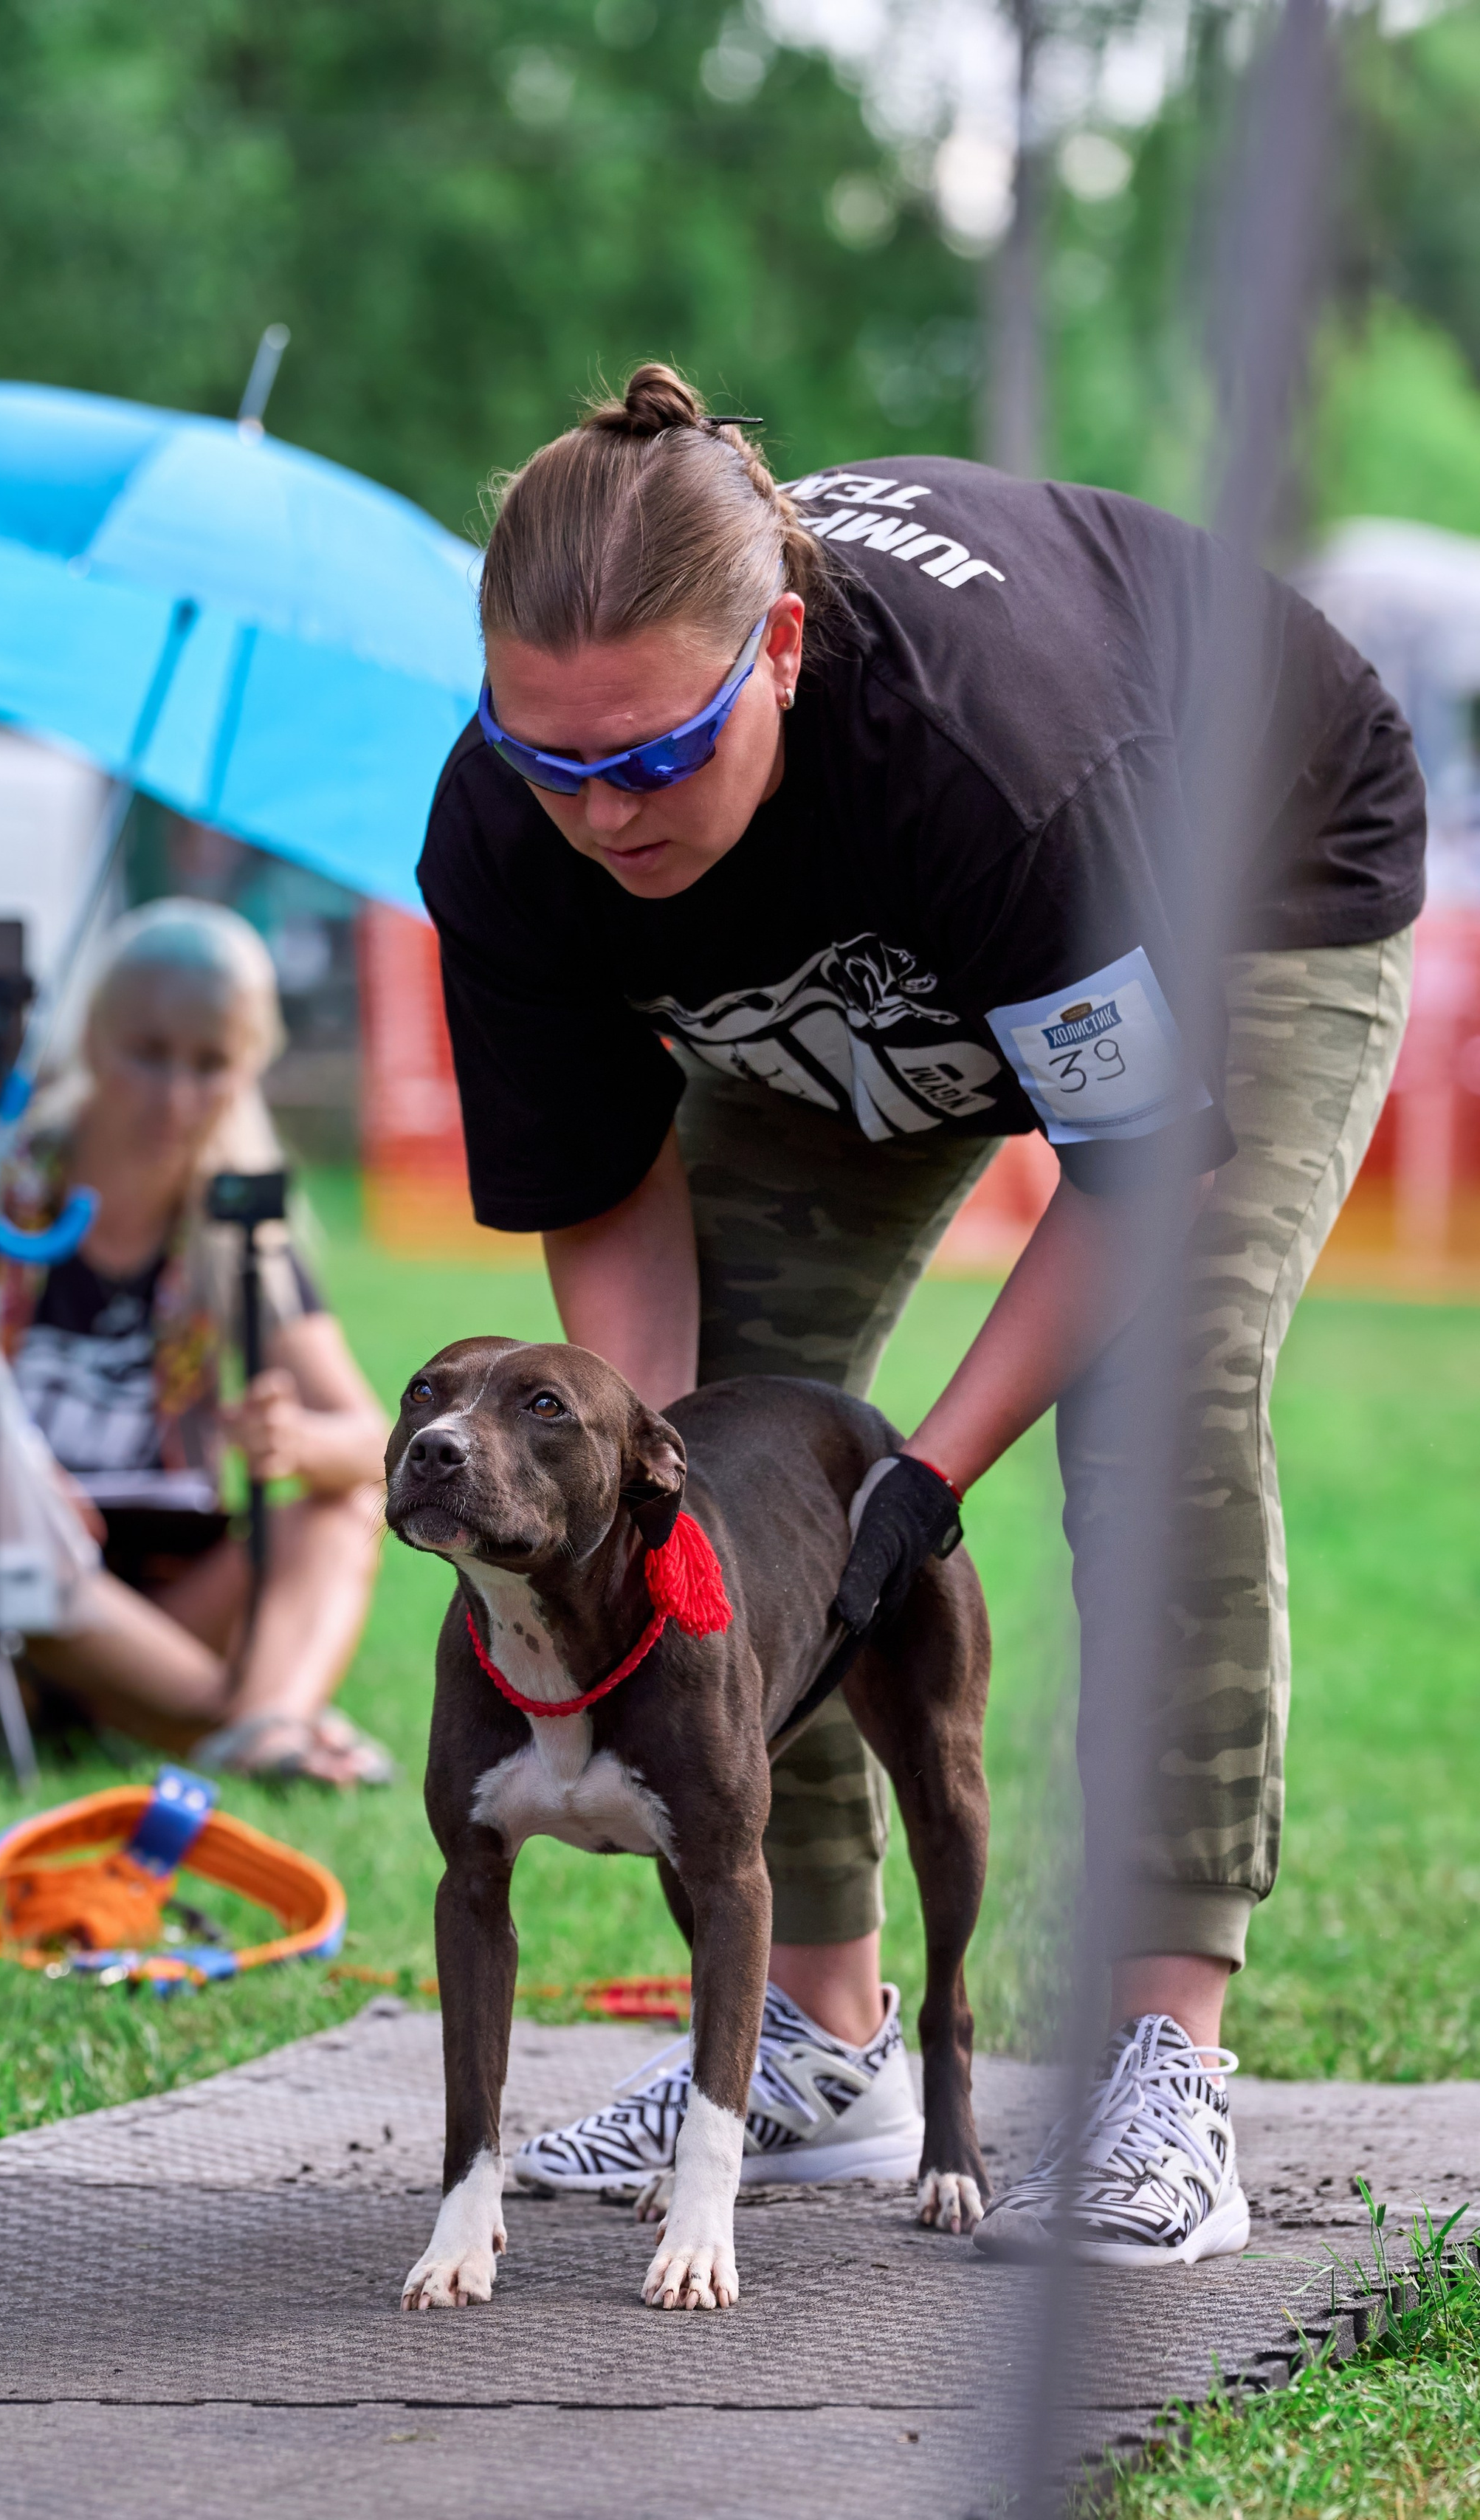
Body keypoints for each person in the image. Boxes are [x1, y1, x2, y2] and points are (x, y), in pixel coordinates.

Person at [418, 363, 1424, 2262]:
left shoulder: (991, 762)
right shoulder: (509, 828)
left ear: (777, 649)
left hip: (1236, 878)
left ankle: (1161, 2064)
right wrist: (660, 1488)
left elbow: (1137, 1184)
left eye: (647, 754)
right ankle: (811, 2036)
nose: (597, 810)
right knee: (706, 1480)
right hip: (836, 980)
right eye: (550, 759)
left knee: (1159, 1402)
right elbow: (612, 1224)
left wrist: (921, 1480)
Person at [0, 898, 393, 1787]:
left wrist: (296, 1441)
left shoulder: (235, 1220)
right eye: (148, 1053)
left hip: (154, 1598)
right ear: (90, 1036)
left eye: (212, 1066)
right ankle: (258, 1725)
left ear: (250, 1071)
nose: (176, 1096)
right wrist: (10, 1474)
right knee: (1, 1522)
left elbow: (371, 1443)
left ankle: (255, 1722)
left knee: (336, 1500)